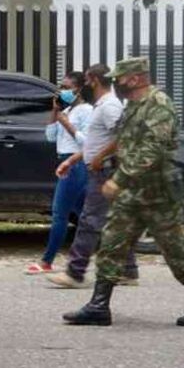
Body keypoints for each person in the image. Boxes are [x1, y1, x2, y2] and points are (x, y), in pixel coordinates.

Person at [63, 57, 184, 328]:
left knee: (176, 252)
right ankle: (99, 305)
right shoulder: (133, 106)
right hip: (132, 193)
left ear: (134, 79)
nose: (116, 83)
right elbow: (123, 141)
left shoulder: (159, 105)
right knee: (112, 243)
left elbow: (152, 150)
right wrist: (94, 157)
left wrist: (119, 178)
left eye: (119, 79)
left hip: (160, 195)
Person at [48, 64, 138, 289]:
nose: (85, 85)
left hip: (104, 170)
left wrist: (99, 158)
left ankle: (75, 272)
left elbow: (122, 137)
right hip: (100, 167)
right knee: (115, 222)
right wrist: (72, 160)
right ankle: (129, 270)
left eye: (87, 81)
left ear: (94, 80)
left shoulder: (109, 106)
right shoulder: (101, 106)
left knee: (88, 221)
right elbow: (94, 142)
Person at [26, 72, 92, 275]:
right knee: (87, 217)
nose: (62, 91)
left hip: (75, 163)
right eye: (61, 87)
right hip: (64, 160)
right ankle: (123, 259)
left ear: (78, 89)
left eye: (66, 87)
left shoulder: (86, 111)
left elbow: (86, 142)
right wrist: (55, 113)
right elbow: (50, 136)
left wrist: (65, 122)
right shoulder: (69, 109)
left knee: (60, 213)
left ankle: (47, 261)